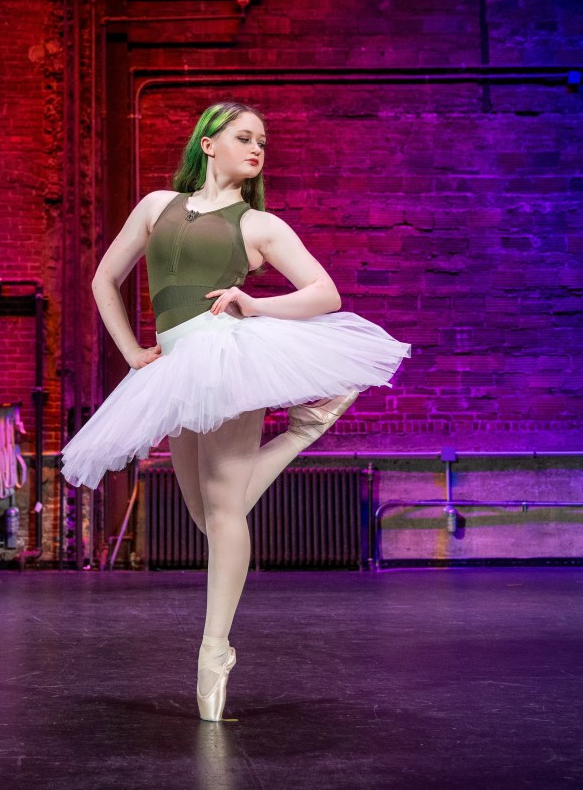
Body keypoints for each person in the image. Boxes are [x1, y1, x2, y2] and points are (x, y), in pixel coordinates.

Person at [61, 102, 411, 721]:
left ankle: (213, 648)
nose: (257, 150)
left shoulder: (258, 225)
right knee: (206, 514)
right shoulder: (154, 206)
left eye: (263, 142)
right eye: (244, 138)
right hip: (174, 368)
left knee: (223, 511)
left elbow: (325, 293)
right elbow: (102, 280)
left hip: (224, 356)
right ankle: (304, 431)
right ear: (208, 144)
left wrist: (253, 304)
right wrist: (133, 353)